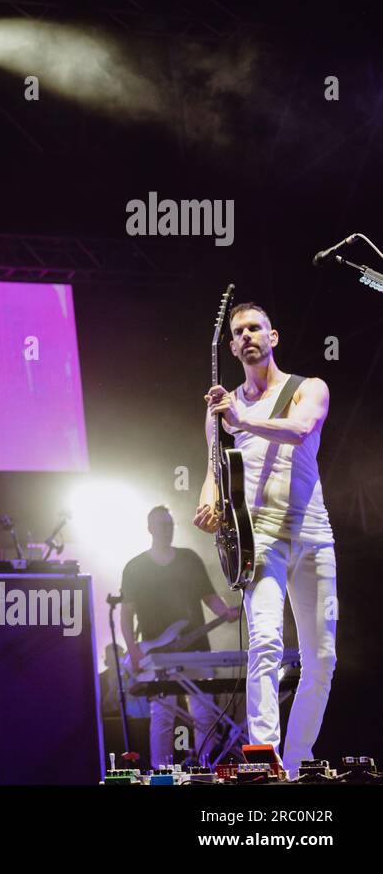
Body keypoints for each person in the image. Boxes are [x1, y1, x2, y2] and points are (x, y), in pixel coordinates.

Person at [195, 301, 337, 777]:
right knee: (266, 645)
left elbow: (301, 431)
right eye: (239, 331)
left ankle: (298, 761)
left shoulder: (308, 388)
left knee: (322, 657)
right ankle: (264, 760)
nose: (248, 335)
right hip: (260, 541)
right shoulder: (223, 410)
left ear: (272, 336)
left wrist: (240, 419)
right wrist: (208, 499)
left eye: (256, 327)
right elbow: (214, 468)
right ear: (232, 346)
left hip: (313, 534)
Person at [120, 505, 241, 767]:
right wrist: (134, 651)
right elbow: (126, 614)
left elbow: (208, 595)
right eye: (162, 525)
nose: (167, 530)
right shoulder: (135, 567)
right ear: (150, 528)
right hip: (158, 655)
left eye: (170, 525)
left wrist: (225, 611)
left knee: (204, 711)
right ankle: (160, 770)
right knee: (163, 714)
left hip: (196, 649)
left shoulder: (189, 559)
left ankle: (207, 767)